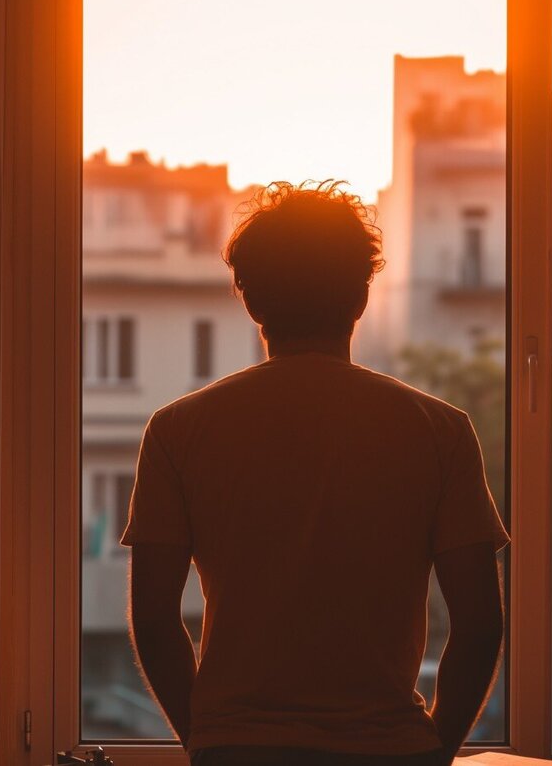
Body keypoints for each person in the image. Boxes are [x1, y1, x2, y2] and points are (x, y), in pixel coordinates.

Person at [121, 181, 509, 766]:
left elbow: (153, 618)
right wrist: (434, 754)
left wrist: (207, 740)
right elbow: (479, 625)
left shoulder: (178, 430)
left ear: (250, 299)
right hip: (387, 751)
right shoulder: (440, 431)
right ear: (361, 295)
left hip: (239, 751)